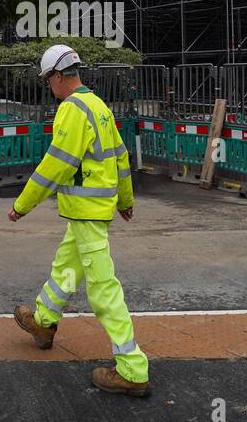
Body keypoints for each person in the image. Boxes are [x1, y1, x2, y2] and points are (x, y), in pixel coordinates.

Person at [8, 44, 149, 397]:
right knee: (66, 269)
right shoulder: (99, 106)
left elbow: (57, 164)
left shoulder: (71, 110)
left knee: (103, 288)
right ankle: (43, 323)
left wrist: (22, 205)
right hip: (91, 211)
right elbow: (120, 158)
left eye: (47, 80)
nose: (48, 87)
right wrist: (126, 201)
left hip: (86, 212)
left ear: (57, 76)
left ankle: (132, 368)